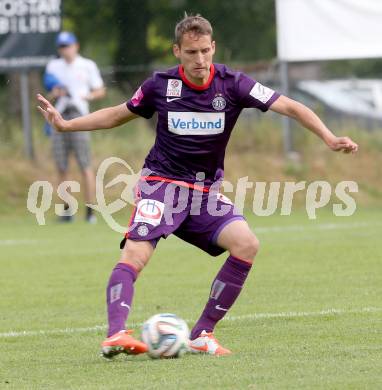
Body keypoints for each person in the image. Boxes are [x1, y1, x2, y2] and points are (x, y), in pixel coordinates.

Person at [37, 15, 358, 357]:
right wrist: (67, 125)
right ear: (177, 51)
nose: (200, 60)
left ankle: (202, 334)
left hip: (204, 193)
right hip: (160, 185)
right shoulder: (160, 86)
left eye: (205, 51)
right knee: (136, 254)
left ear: (213, 47)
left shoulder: (233, 84)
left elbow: (289, 106)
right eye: (191, 52)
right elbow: (118, 114)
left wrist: (328, 136)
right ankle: (116, 334)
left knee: (246, 244)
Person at [44, 31, 106, 223]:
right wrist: (55, 93)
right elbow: (50, 93)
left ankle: (89, 212)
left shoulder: (87, 65)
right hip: (60, 115)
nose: (65, 50)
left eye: (68, 46)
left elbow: (100, 90)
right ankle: (67, 210)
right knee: (61, 165)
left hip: (80, 116)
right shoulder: (53, 66)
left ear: (76, 46)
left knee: (85, 165)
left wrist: (88, 96)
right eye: (62, 47)